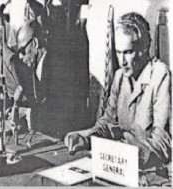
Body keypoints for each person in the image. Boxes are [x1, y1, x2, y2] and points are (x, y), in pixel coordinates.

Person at [64, 12, 171, 170]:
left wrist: (127, 153)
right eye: (118, 52)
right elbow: (107, 123)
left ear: (144, 48)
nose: (122, 61)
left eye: (128, 52)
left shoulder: (160, 75)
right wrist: (85, 138)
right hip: (122, 165)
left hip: (151, 171)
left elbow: (162, 144)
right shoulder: (120, 77)